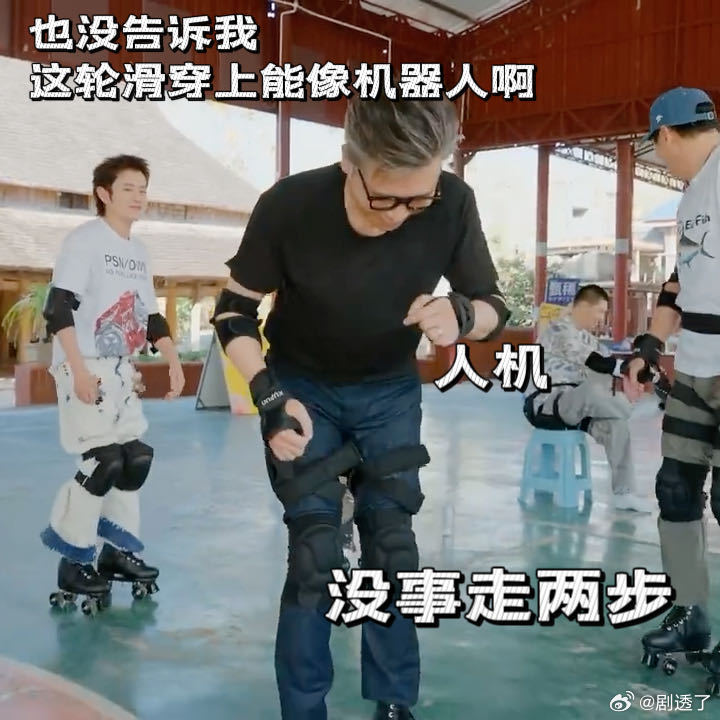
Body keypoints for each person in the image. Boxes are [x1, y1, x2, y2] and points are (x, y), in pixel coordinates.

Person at [211, 93, 509, 720]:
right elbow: (233, 312)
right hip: (302, 390)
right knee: (315, 553)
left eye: (418, 200)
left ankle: (394, 703)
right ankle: (304, 710)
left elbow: (492, 306)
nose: (402, 216)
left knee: (393, 550)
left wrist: (461, 315)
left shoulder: (452, 201)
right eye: (385, 198)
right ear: (350, 163)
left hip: (389, 393)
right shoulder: (290, 205)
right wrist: (269, 397)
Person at [40, 154, 185, 611]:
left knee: (134, 458)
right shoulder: (84, 241)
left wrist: (173, 361)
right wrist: (78, 370)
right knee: (101, 461)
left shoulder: (138, 252)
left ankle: (118, 552)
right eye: (128, 188)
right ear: (104, 193)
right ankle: (73, 558)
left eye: (143, 189)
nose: (138, 196)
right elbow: (57, 308)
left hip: (121, 367)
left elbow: (151, 316)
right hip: (83, 363)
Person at [623, 87, 720, 674]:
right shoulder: (691, 200)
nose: (658, 157)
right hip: (696, 364)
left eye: (655, 147)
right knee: (676, 488)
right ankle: (691, 613)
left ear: (664, 134)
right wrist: (650, 346)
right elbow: (678, 285)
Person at [523, 284, 654, 512]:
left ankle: (623, 493)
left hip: (578, 410)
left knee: (617, 426)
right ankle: (628, 408)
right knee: (593, 388)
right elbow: (598, 362)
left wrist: (644, 369)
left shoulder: (587, 338)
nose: (602, 318)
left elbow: (613, 360)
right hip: (547, 404)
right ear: (583, 306)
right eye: (600, 311)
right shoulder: (558, 329)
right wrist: (628, 370)